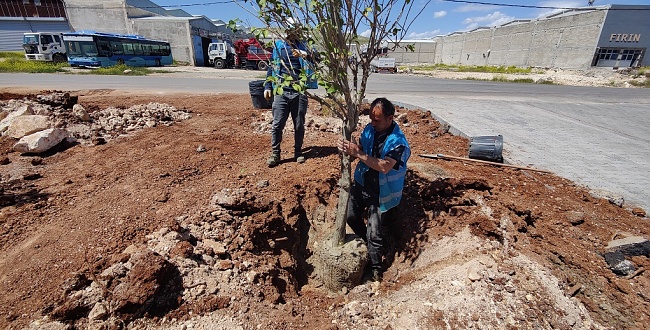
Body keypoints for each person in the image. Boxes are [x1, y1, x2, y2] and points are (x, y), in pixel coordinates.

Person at [337, 97, 411, 282]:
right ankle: (366, 242)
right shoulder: (370, 129)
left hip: (382, 192)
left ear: (390, 118)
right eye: (371, 118)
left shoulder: (398, 142)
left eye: (376, 120)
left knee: (374, 232)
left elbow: (385, 166)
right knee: (351, 215)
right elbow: (361, 148)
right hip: (363, 183)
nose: (372, 123)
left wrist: (358, 153)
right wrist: (350, 149)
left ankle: (376, 268)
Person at [264, 26, 318, 167]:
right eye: (290, 30)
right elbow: (272, 66)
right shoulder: (278, 46)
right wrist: (268, 86)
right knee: (277, 124)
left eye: (295, 30)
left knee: (299, 124)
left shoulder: (305, 46)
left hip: (299, 92)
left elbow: (317, 59)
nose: (292, 33)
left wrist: (305, 54)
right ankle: (275, 153)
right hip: (281, 91)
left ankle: (298, 151)